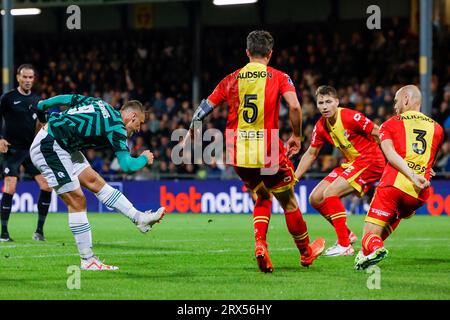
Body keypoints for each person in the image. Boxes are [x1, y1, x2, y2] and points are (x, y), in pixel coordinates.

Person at [186, 30, 325, 272]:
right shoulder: (279, 77)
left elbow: (205, 106)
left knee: (261, 196)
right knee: (289, 202)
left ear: (248, 52)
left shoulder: (231, 78)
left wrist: (192, 129)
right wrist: (297, 135)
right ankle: (305, 252)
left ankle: (260, 245)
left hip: (238, 151)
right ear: (270, 54)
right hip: (268, 148)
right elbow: (294, 106)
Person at [31, 94, 165, 270]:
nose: (138, 129)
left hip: (64, 145)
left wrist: (42, 120)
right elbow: (126, 165)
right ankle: (88, 260)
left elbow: (48, 103)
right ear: (132, 117)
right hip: (50, 147)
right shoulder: (117, 126)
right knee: (78, 200)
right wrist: (143, 158)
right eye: (139, 123)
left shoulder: (99, 103)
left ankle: (138, 218)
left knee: (94, 181)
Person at [354, 85, 444, 270]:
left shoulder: (390, 124)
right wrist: (420, 173)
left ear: (405, 99)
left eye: (396, 101)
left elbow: (391, 154)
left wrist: (410, 175)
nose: (394, 106)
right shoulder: (438, 129)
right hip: (419, 194)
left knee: (367, 237)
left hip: (394, 185)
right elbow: (429, 162)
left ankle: (375, 248)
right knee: (395, 216)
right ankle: (366, 254)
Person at [295, 85, 385, 256]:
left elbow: (379, 132)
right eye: (321, 103)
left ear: (337, 102)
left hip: (370, 160)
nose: (324, 106)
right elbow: (311, 153)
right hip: (352, 163)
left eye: (328, 102)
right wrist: (294, 178)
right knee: (315, 198)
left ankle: (345, 245)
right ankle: (347, 234)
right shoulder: (321, 126)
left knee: (330, 193)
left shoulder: (351, 117)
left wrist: (399, 159)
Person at [0, 64, 53, 242]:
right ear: (18, 78)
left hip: (31, 150)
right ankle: (4, 233)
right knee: (10, 186)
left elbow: (41, 125)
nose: (28, 80)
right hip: (11, 149)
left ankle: (39, 231)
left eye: (31, 78)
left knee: (46, 185)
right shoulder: (7, 98)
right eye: (25, 77)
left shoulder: (38, 102)